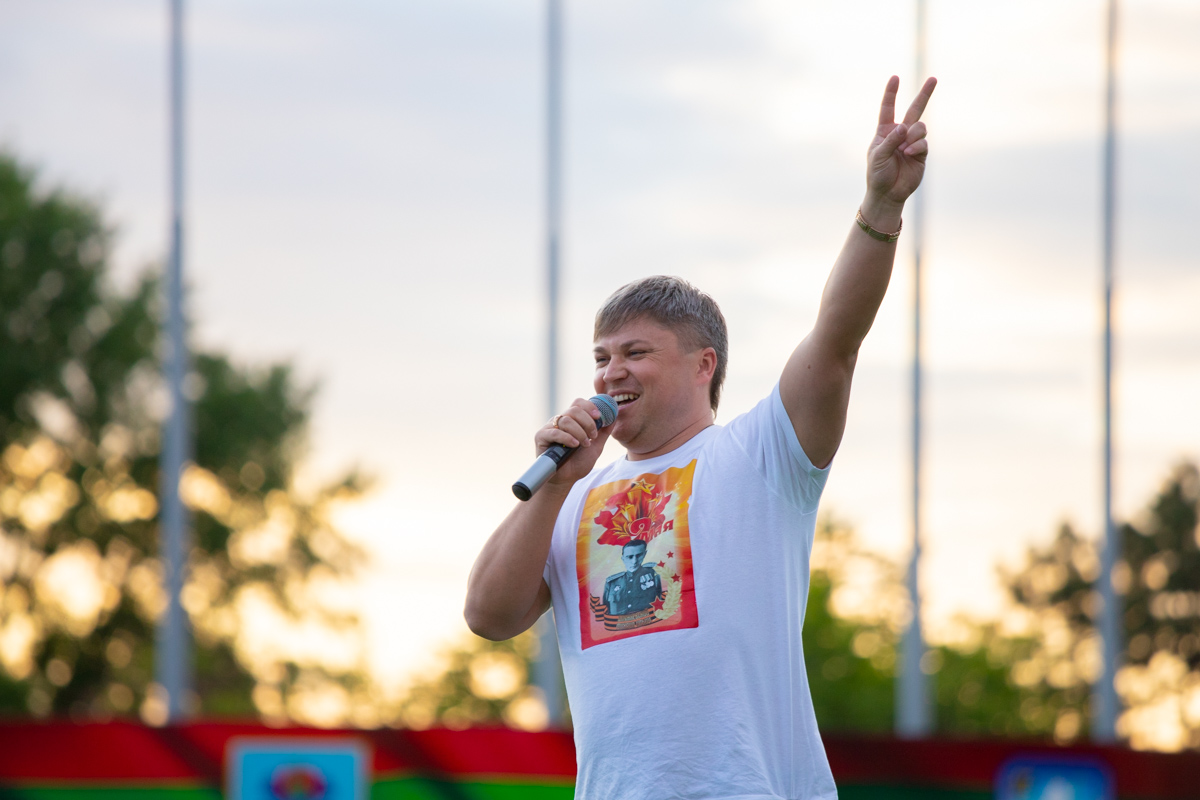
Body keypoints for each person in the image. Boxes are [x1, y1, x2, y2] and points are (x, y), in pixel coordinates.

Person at [465, 75, 936, 800]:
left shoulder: (760, 455)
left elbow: (837, 340)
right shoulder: (574, 493)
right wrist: (554, 485)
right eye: (601, 357)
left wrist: (881, 207)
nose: (611, 372)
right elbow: (488, 615)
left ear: (702, 364)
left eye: (636, 353)